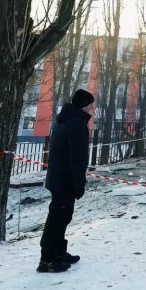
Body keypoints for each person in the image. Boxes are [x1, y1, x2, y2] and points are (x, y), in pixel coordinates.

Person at [39, 89, 93, 273]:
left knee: (61, 216)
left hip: (58, 177)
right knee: (58, 217)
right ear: (83, 105)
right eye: (90, 104)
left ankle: (59, 252)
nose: (92, 108)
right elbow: (77, 158)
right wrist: (79, 182)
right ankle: (47, 259)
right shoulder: (76, 124)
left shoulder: (66, 120)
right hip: (65, 179)